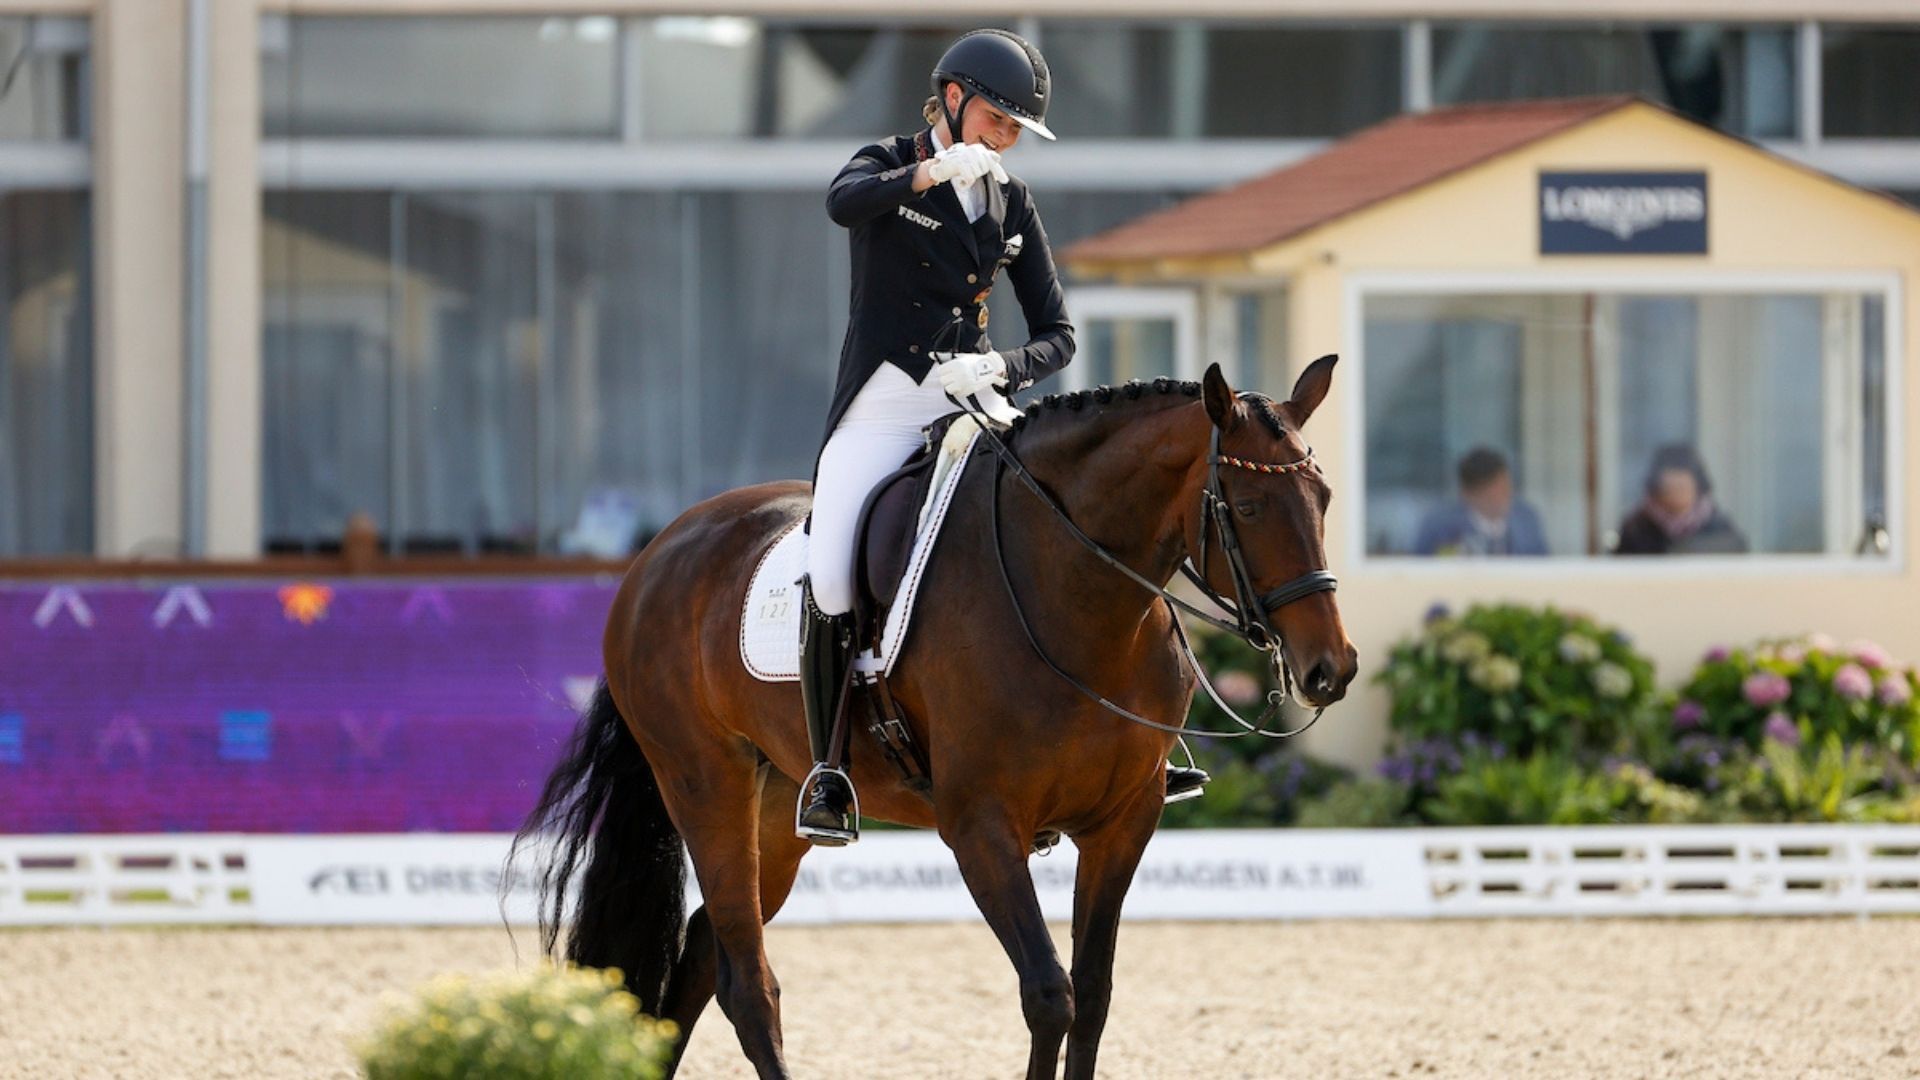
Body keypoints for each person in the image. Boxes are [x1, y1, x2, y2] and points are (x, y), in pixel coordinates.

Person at [796, 29, 1205, 845]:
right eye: (996, 118)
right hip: (884, 405)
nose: (1004, 137)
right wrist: (928, 172)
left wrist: (1002, 370)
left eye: (1017, 128)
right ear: (952, 99)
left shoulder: (1013, 202)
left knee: (1078, 524)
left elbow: (1059, 333)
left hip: (973, 400)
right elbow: (842, 203)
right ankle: (828, 770)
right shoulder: (889, 160)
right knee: (833, 573)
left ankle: (1148, 735)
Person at [1614, 444, 1748, 555]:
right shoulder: (1636, 529)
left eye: (1682, 488)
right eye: (1669, 488)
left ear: (1698, 488)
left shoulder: (1719, 528)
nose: (1676, 494)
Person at [1412, 447, 1549, 557]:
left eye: (1505, 487)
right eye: (1492, 491)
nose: (1503, 496)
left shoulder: (1526, 520)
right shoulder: (1440, 526)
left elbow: (1543, 568)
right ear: (1468, 494)